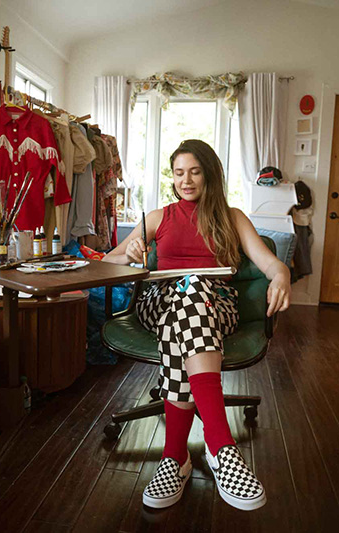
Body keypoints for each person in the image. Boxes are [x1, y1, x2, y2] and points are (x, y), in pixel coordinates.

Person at [103, 139, 291, 511]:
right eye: (178, 173)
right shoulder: (158, 217)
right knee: (187, 295)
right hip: (159, 301)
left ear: (209, 175)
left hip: (215, 304)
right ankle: (222, 448)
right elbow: (106, 263)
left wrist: (282, 276)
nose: (185, 181)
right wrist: (130, 254)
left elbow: (270, 263)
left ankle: (175, 458)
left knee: (192, 296)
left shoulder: (232, 217)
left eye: (194, 172)